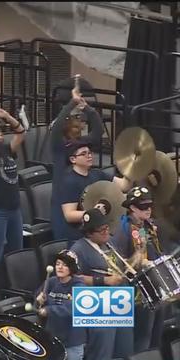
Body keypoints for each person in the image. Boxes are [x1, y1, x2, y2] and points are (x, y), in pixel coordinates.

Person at [69, 208, 133, 360]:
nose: (106, 232)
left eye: (107, 228)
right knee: (103, 352)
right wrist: (103, 280)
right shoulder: (78, 249)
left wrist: (136, 259)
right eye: (101, 230)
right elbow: (71, 278)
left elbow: (120, 266)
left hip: (119, 299)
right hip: (97, 302)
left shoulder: (109, 243)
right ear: (89, 233)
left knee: (124, 348)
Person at [112, 186, 165, 353]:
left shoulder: (147, 225)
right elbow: (117, 266)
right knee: (143, 335)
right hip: (137, 292)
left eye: (150, 206)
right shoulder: (123, 230)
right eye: (143, 207)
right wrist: (139, 260)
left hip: (155, 284)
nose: (148, 210)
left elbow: (156, 250)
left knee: (157, 333)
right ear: (132, 208)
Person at [51, 82, 103, 241]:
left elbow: (98, 131)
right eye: (75, 122)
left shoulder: (81, 143)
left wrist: (86, 107)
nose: (79, 125)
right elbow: (57, 127)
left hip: (83, 201)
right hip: (64, 201)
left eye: (81, 122)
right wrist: (72, 102)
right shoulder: (60, 145)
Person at [57, 140, 131, 246]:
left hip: (101, 230)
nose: (89, 156)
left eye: (89, 152)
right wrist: (95, 212)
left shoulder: (97, 174)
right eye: (83, 153)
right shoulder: (69, 182)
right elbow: (69, 215)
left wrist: (131, 170)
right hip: (82, 234)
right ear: (73, 159)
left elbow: (124, 186)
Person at [0, 102, 26, 265]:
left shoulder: (7, 149)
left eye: (0, 129)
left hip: (15, 209)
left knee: (17, 251)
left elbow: (21, 133)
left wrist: (7, 117)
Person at [35, 250, 86, 360]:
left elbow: (72, 308)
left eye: (65, 265)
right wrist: (39, 300)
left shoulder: (79, 286)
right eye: (58, 264)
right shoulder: (51, 281)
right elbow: (37, 303)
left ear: (72, 268)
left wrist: (48, 310)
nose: (60, 267)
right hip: (52, 337)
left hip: (72, 340)